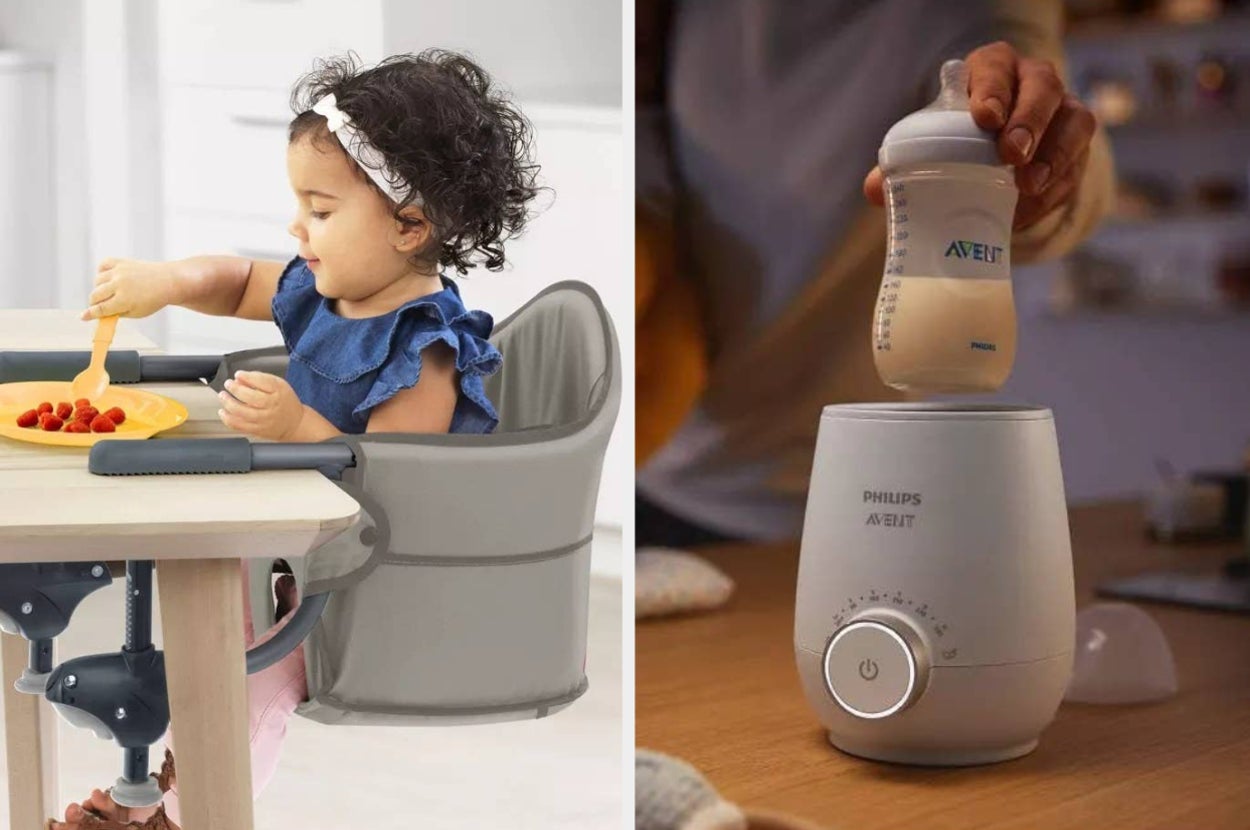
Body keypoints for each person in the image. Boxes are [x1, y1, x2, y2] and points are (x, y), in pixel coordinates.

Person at [50, 48, 537, 829]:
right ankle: (171, 778)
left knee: (246, 683)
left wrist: (296, 428)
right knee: (203, 654)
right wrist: (165, 281)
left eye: (320, 209)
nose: (296, 227)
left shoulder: (425, 348)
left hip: (358, 581)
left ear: (410, 226)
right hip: (286, 550)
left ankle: (186, 815)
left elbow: (395, 488)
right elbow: (241, 281)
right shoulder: (326, 291)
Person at [636, 0, 1116, 548]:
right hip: (649, 456)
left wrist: (1046, 164)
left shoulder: (970, 16)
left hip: (816, 503)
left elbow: (1042, 117)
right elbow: (644, 122)